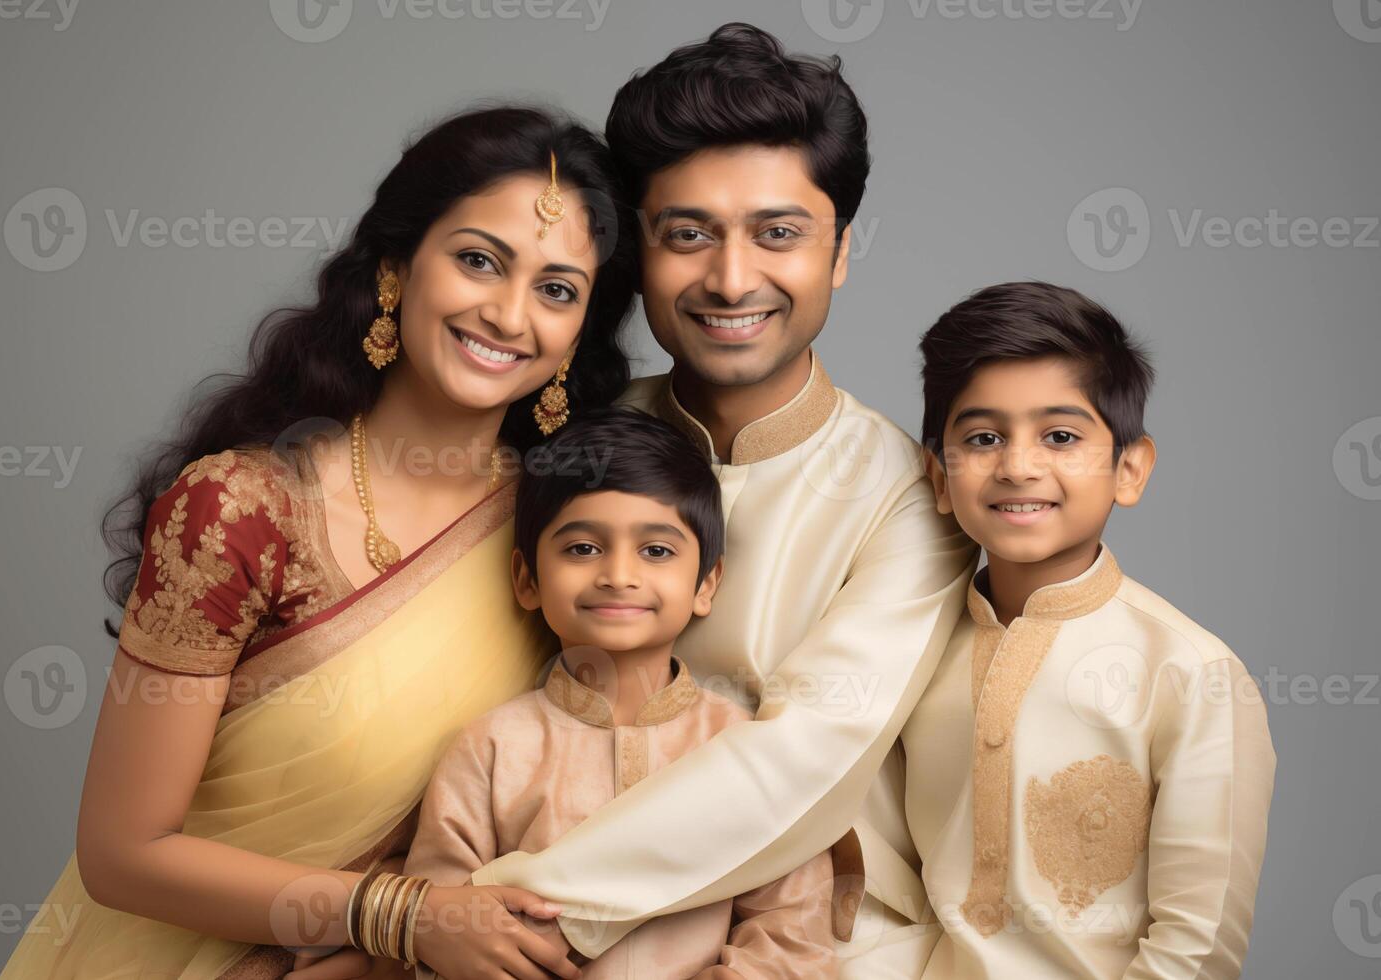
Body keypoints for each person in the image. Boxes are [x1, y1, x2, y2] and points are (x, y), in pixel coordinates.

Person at [0, 104, 635, 979]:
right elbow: (123, 853)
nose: (509, 314)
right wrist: (398, 919)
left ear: (577, 336)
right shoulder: (241, 508)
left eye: (558, 289)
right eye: (479, 261)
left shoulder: (566, 538)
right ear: (394, 267)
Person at [454, 24, 981, 979]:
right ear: (637, 254)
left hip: (803, 940)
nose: (732, 280)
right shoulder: (568, 434)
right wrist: (392, 914)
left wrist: (480, 910)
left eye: (778, 233)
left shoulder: (910, 501)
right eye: (687, 235)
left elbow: (796, 769)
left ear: (840, 250)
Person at [901, 281, 1276, 978]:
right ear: (939, 477)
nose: (1017, 466)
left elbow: (1198, 945)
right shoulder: (906, 650)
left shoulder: (1192, 675)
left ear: (1128, 469)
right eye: (982, 438)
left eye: (1061, 436)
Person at [381, 407, 836, 979]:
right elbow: (445, 927)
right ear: (527, 580)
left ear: (706, 584)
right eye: (582, 549)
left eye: (656, 551)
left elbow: (792, 938)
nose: (618, 575)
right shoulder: (488, 750)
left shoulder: (746, 750)